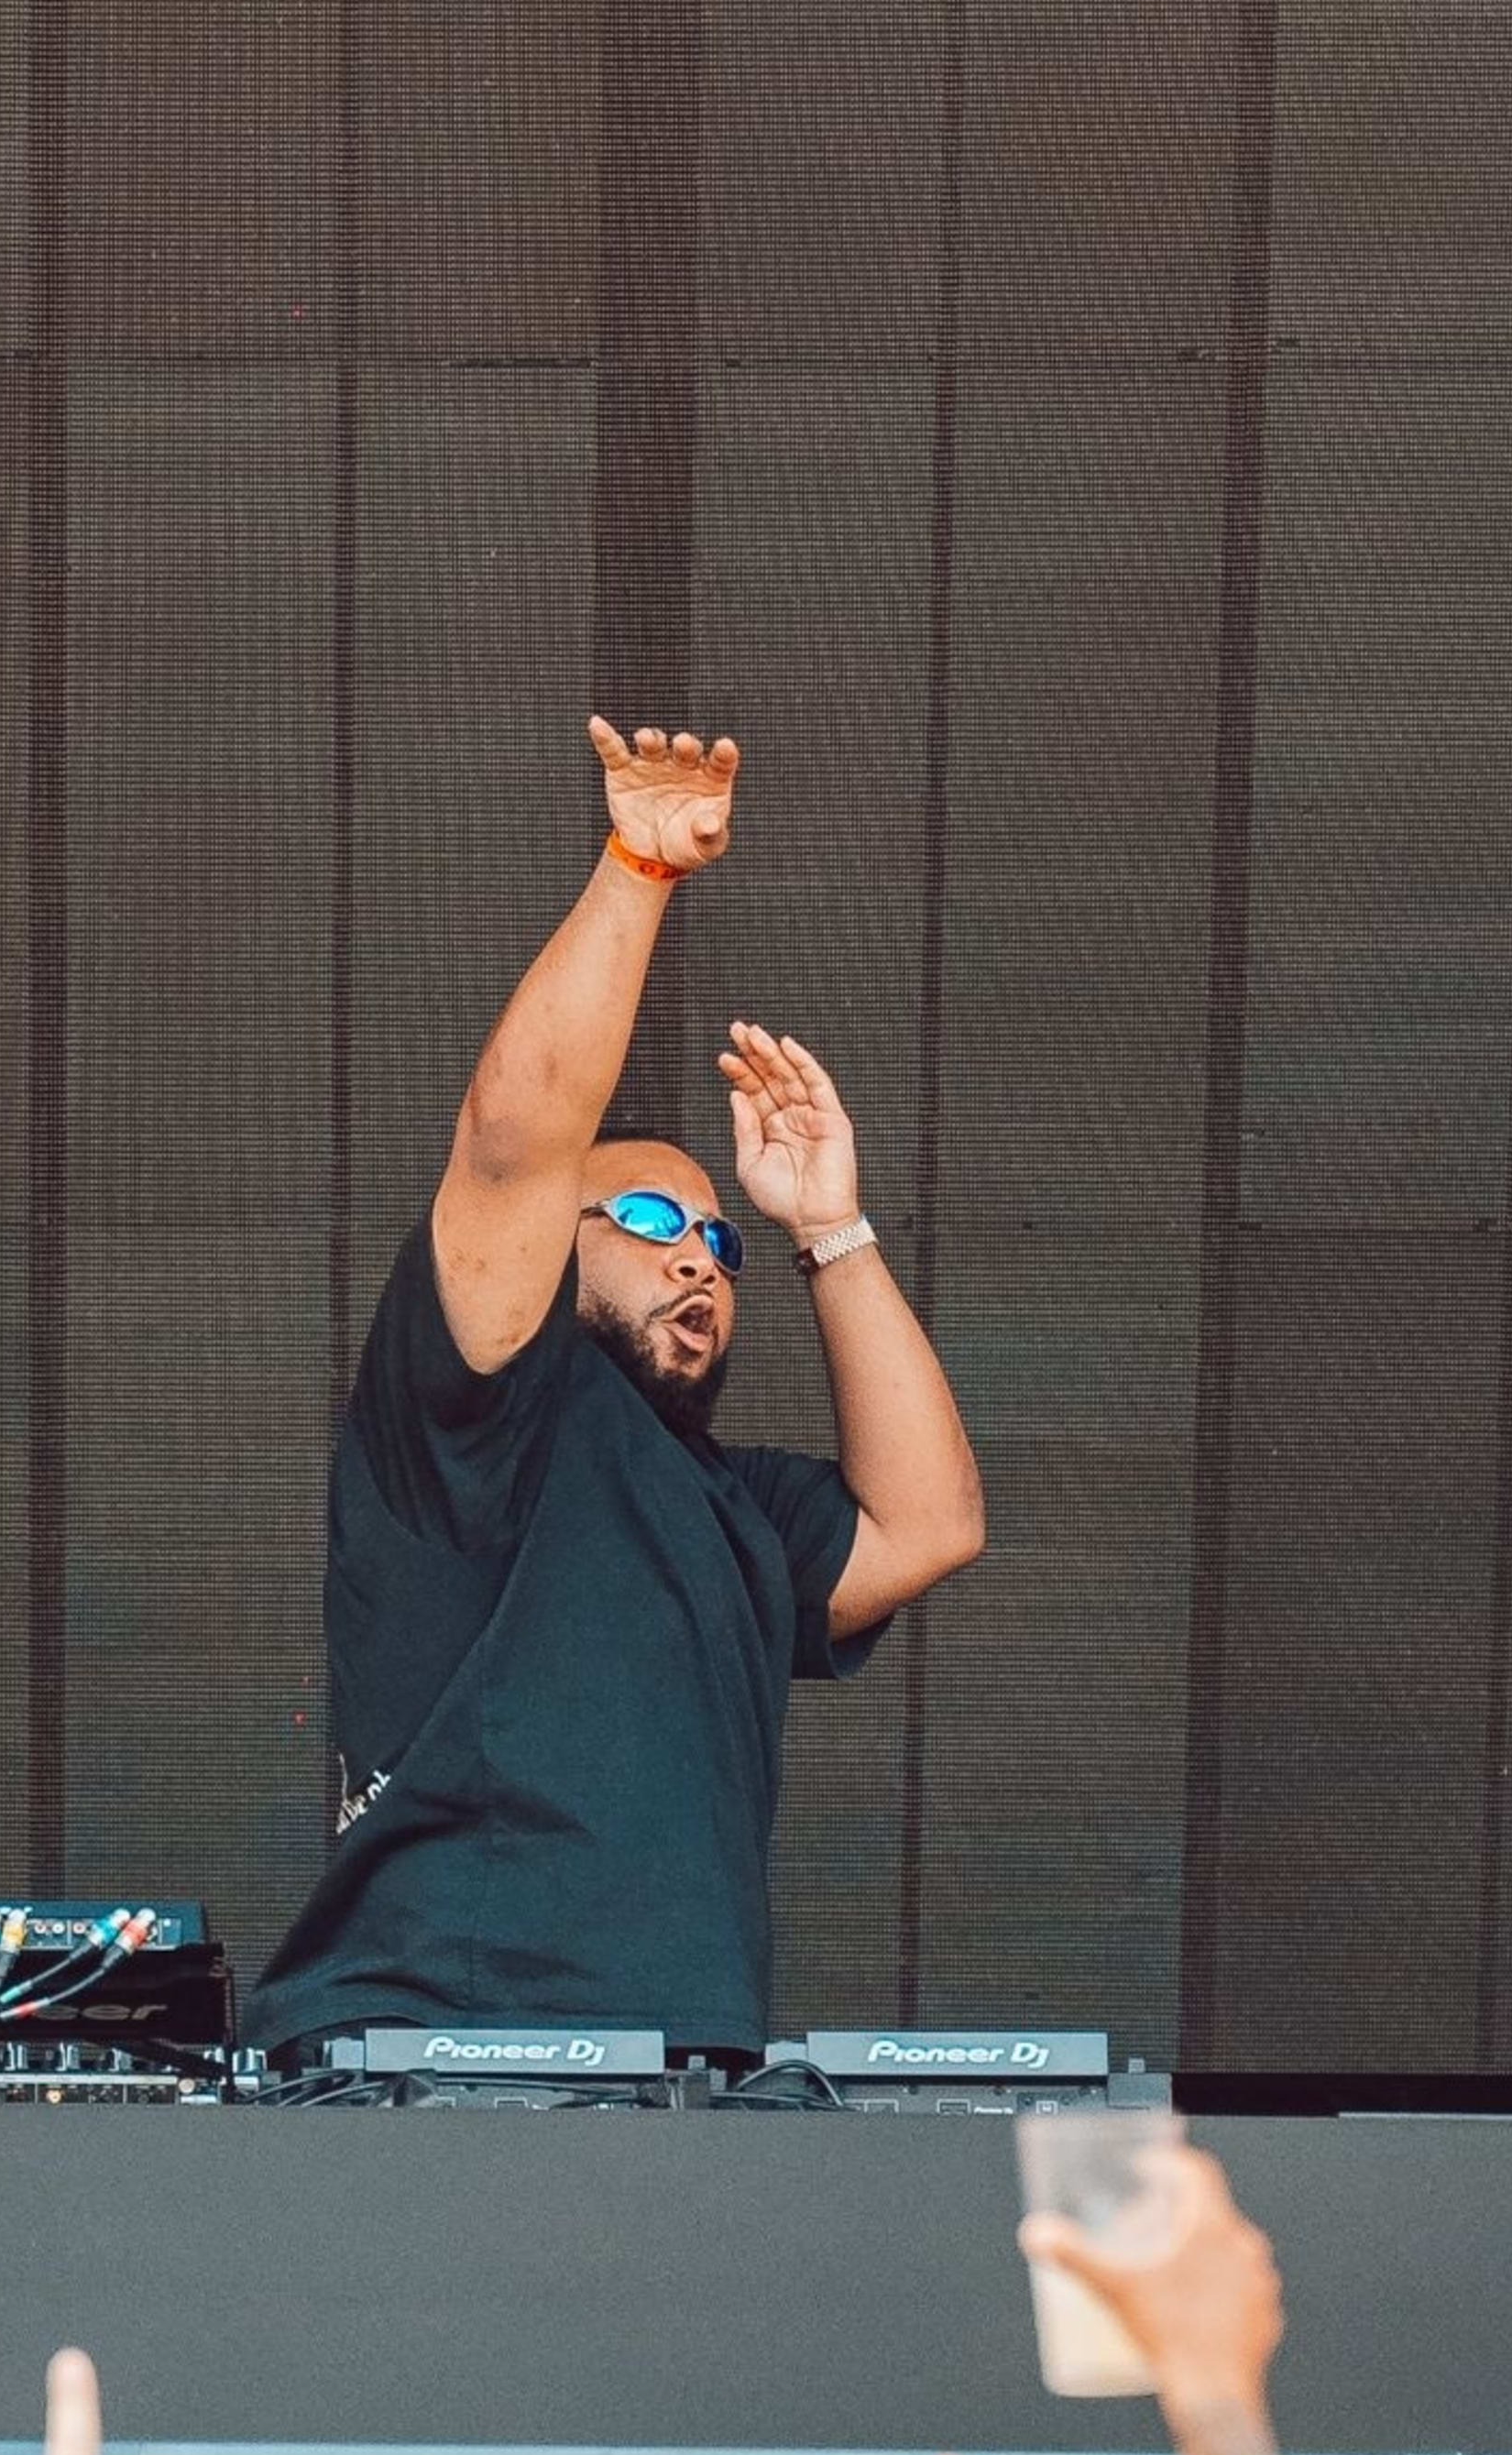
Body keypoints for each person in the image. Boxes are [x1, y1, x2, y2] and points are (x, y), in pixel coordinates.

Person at [247, 717, 985, 2064]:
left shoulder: (733, 1503)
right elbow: (517, 1143)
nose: (699, 1260)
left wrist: (831, 1225)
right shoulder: (478, 1407)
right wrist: (636, 874)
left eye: (720, 1243)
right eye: (650, 1215)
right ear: (560, 1239)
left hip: (681, 2062)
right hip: (433, 2038)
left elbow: (926, 1528)